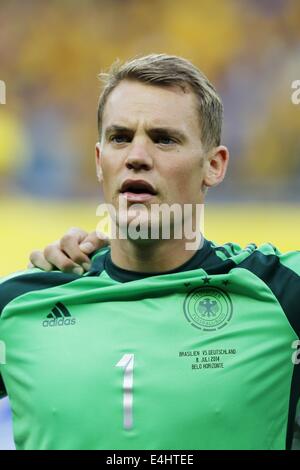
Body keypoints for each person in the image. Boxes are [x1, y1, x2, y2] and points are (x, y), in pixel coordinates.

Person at [1, 54, 299, 450]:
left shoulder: (280, 294)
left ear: (214, 165)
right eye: (120, 138)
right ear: (98, 160)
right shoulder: (21, 305)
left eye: (164, 139)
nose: (136, 156)